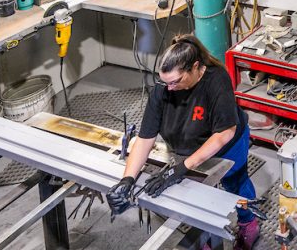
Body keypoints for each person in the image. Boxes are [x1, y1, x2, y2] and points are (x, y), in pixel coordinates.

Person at [106, 34, 259, 249]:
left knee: (235, 183)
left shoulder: (216, 80)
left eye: (175, 81)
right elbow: (145, 138)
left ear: (195, 68)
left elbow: (224, 133)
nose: (169, 88)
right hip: (187, 149)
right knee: (195, 194)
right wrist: (127, 179)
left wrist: (181, 168)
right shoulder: (164, 88)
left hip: (226, 147)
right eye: (165, 82)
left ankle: (248, 221)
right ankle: (204, 235)